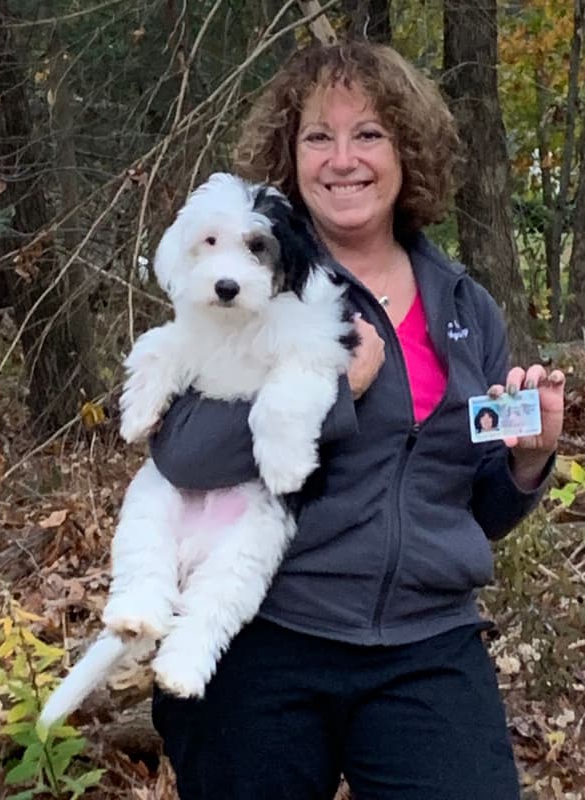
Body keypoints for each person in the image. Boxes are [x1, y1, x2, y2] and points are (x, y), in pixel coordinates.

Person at [149, 42, 565, 800]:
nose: (343, 159)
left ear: (408, 151)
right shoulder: (250, 286)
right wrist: (339, 397)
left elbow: (471, 505)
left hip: (427, 646)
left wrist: (528, 462)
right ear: (289, 154)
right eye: (318, 136)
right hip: (263, 632)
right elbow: (184, 455)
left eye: (368, 134)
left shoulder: (466, 307)